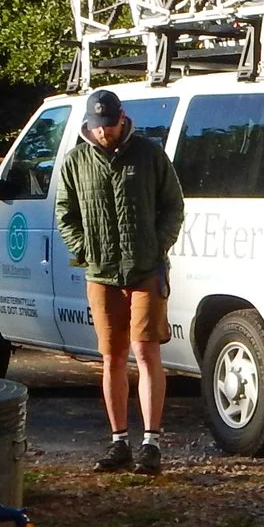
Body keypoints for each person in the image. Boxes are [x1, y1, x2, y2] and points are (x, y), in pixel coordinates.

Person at [56, 88, 186, 473]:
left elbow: (173, 205)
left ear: (122, 118)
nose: (105, 132)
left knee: (145, 351)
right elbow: (65, 213)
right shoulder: (76, 161)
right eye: (99, 126)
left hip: (146, 269)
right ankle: (118, 442)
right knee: (111, 356)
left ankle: (151, 443)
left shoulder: (149, 154)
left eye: (110, 125)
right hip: (101, 273)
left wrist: (157, 244)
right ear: (89, 124)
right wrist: (84, 249)